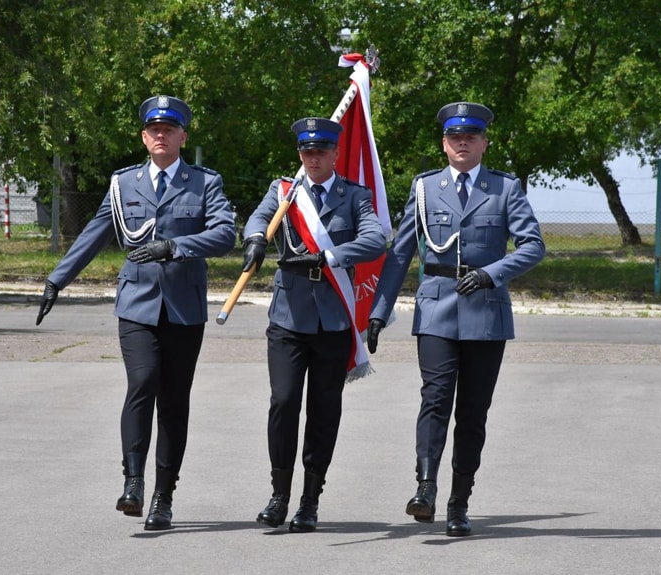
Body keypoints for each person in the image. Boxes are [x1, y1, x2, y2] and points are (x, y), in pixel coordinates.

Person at [35, 95, 236, 531]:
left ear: (183, 136)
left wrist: (178, 246)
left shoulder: (205, 183)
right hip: (138, 304)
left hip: (183, 307)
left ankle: (164, 497)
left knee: (174, 400)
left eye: (170, 129)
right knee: (143, 382)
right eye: (154, 130)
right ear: (145, 138)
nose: (161, 135)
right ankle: (133, 482)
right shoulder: (123, 184)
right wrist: (58, 279)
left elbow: (225, 234)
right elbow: (96, 231)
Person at [367, 102, 545, 536]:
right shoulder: (426, 188)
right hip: (437, 308)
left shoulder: (505, 189)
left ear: (484, 143)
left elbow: (532, 245)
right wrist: (378, 311)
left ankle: (459, 501)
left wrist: (490, 274)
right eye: (454, 137)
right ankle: (425, 488)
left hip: (486, 313)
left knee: (472, 413)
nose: (462, 143)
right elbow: (400, 254)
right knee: (435, 398)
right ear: (444, 144)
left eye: (470, 137)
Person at [242, 117, 386, 533]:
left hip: (333, 321)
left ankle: (309, 500)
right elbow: (257, 220)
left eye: (321, 150)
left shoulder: (354, 196)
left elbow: (377, 239)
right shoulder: (284, 191)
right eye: (307, 151)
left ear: (335, 153)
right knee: (284, 402)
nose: (314, 157)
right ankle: (279, 494)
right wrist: (254, 240)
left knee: (324, 413)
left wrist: (331, 257)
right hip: (288, 318)